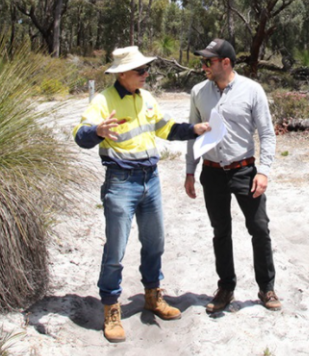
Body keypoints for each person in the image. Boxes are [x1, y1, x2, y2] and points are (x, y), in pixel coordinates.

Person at [73, 46, 210, 343]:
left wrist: (194, 129)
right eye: (141, 71)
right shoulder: (103, 100)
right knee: (115, 251)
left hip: (151, 181)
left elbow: (166, 129)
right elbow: (80, 136)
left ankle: (153, 296)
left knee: (155, 243)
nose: (146, 74)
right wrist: (97, 131)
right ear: (122, 74)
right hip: (121, 183)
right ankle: (111, 308)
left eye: (146, 69)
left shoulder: (147, 98)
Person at [184, 39, 281, 314]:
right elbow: (192, 134)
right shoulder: (198, 92)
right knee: (220, 231)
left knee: (259, 228)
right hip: (212, 173)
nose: (203, 66)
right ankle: (226, 287)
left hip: (245, 171)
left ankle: (266, 287)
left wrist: (263, 171)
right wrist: (190, 171)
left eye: (208, 61)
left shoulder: (252, 91)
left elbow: (266, 133)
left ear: (225, 62)